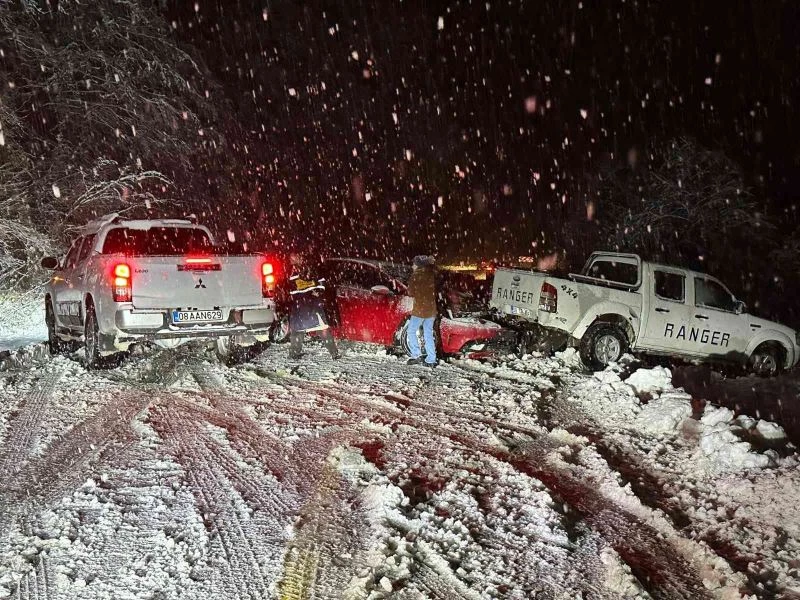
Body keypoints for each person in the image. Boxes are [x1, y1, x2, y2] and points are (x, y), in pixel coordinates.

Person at [286, 251, 340, 360]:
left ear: (299, 257)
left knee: (321, 329)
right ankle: (294, 353)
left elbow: (321, 282)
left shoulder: (310, 268)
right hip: (301, 304)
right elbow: (290, 288)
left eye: (293, 258)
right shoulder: (292, 272)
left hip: (311, 304)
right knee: (298, 330)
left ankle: (333, 353)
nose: (292, 261)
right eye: (291, 259)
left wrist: (318, 291)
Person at [406, 255, 438, 367]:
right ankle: (431, 359)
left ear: (418, 265)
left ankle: (416, 355)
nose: (412, 266)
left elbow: (410, 293)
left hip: (420, 309)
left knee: (411, 331)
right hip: (431, 309)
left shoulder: (415, 276)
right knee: (428, 334)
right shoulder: (431, 275)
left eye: (414, 264)